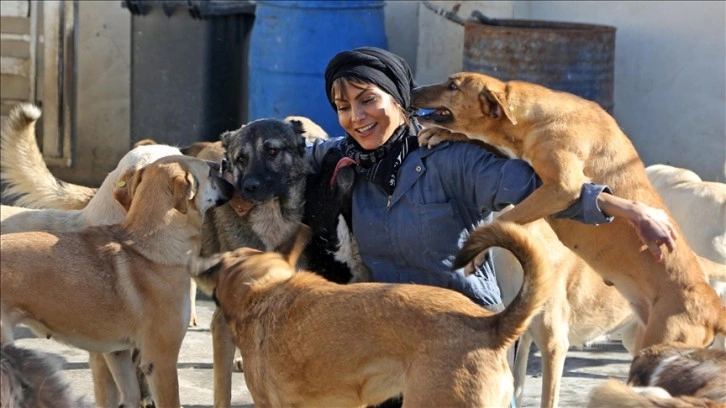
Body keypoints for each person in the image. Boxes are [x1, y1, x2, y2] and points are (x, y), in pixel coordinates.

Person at [308, 46, 676, 311]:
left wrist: (629, 210)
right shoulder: (345, 159)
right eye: (343, 107)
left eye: (368, 100)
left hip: (464, 329)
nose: (356, 116)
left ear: (400, 99)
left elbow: (548, 188)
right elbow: (290, 150)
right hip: (391, 331)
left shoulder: (451, 157)